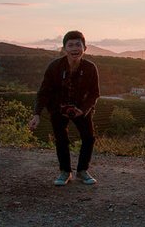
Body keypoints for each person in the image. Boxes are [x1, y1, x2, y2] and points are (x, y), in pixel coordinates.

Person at [28, 31, 100, 186]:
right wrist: (37, 114)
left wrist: (84, 109)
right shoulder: (54, 67)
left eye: (78, 45)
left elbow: (94, 93)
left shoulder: (90, 68)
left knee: (88, 138)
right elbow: (44, 91)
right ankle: (65, 172)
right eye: (71, 45)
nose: (75, 48)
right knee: (61, 139)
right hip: (58, 108)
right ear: (64, 49)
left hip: (81, 109)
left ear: (85, 48)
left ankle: (82, 171)